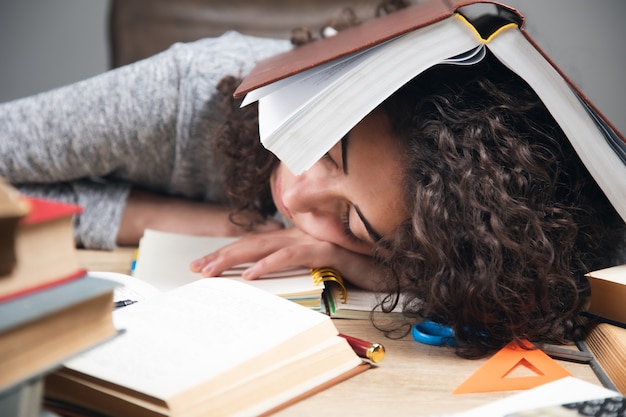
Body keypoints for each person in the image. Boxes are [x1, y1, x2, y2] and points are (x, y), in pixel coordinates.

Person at [1, 3, 624, 358]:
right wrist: (193, 221)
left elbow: (542, 291)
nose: (296, 199)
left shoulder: (420, 235)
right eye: (325, 150)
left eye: (354, 222)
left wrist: (386, 270)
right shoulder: (182, 92)